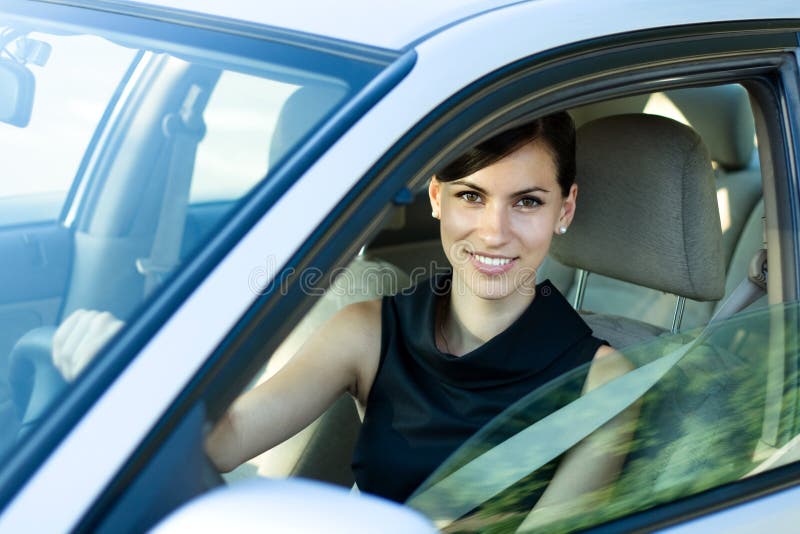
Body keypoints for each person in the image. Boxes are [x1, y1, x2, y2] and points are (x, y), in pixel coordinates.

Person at [54, 112, 636, 514]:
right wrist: (128, 380)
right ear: (436, 197)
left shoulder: (604, 384)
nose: (494, 231)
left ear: (566, 208)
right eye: (471, 195)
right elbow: (223, 441)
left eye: (527, 202)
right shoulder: (368, 329)